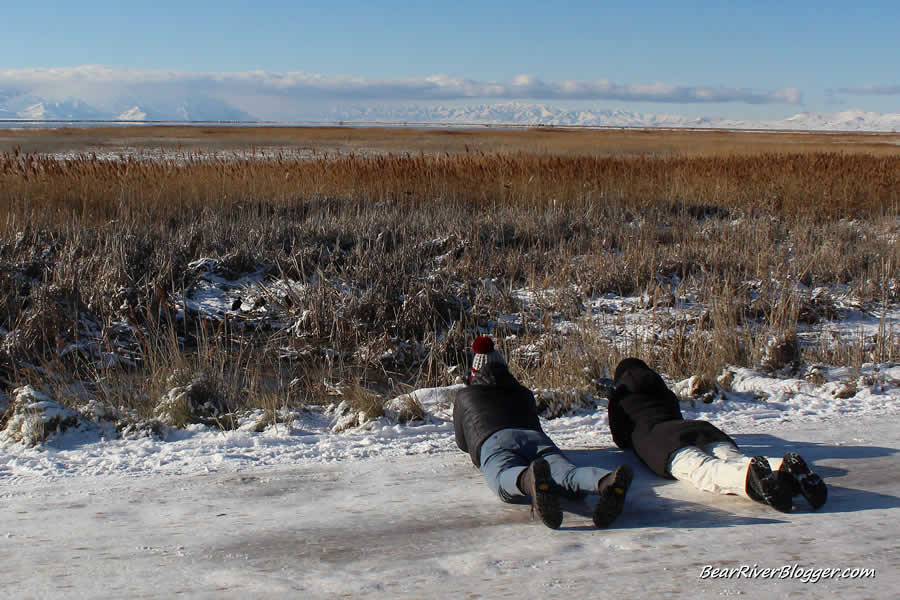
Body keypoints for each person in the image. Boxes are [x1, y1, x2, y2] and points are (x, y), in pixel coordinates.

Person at [453, 335, 633, 529]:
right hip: (535, 438)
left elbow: (463, 444)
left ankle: (526, 479)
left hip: (494, 440)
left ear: (474, 373)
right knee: (567, 475)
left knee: (502, 476)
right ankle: (605, 481)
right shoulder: (523, 392)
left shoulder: (465, 396)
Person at [607, 358, 827, 512]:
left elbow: (621, 439)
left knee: (704, 470)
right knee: (737, 459)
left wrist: (614, 401)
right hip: (699, 428)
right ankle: (783, 467)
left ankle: (749, 479)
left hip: (660, 440)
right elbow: (673, 413)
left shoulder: (621, 397)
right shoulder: (663, 391)